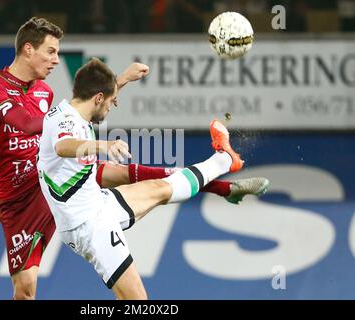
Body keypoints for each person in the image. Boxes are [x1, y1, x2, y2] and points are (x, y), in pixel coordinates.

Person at [0, 17, 268, 300]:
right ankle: (223, 169)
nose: (55, 60)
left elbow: (81, 110)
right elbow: (30, 125)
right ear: (28, 49)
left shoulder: (45, 91)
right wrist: (10, 190)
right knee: (25, 291)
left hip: (52, 180)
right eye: (51, 52)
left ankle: (224, 180)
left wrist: (118, 82)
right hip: (30, 197)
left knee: (145, 178)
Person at [36, 58, 260, 299]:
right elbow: (63, 146)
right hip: (90, 226)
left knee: (160, 188)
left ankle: (225, 160)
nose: (112, 107)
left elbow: (97, 99)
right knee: (137, 300)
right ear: (98, 98)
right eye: (110, 101)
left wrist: (122, 80)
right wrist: (104, 144)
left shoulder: (74, 111)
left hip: (97, 204)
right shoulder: (65, 123)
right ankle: (224, 160)